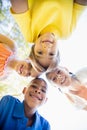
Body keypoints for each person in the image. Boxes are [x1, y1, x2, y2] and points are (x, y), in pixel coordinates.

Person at [9, 0, 87, 73]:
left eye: (40, 52)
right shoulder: (66, 33)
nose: (47, 48)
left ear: (34, 48)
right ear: (57, 51)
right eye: (51, 54)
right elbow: (79, 5)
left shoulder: (31, 35)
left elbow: (19, 6)